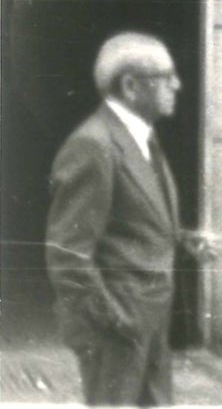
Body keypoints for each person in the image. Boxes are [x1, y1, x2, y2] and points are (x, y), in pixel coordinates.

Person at [46, 34, 209, 408]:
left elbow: (127, 216)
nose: (177, 85)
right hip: (117, 323)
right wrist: (115, 321)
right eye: (166, 76)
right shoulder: (94, 145)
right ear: (131, 85)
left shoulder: (139, 139)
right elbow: (67, 254)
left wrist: (180, 237)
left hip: (149, 316)